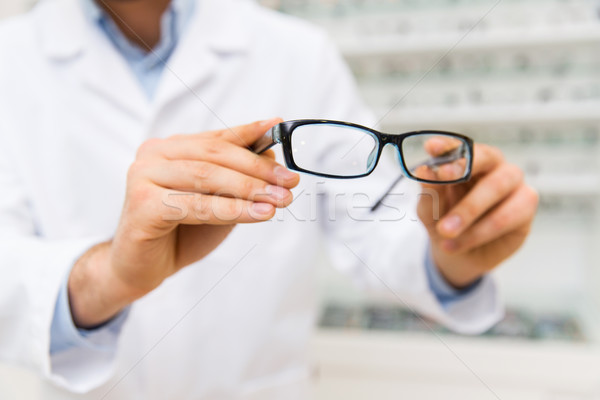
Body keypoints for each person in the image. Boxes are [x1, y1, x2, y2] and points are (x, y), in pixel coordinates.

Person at [0, 0, 538, 398]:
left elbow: (374, 220)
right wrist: (108, 276)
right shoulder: (10, 58)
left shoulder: (298, 52)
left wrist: (450, 253)